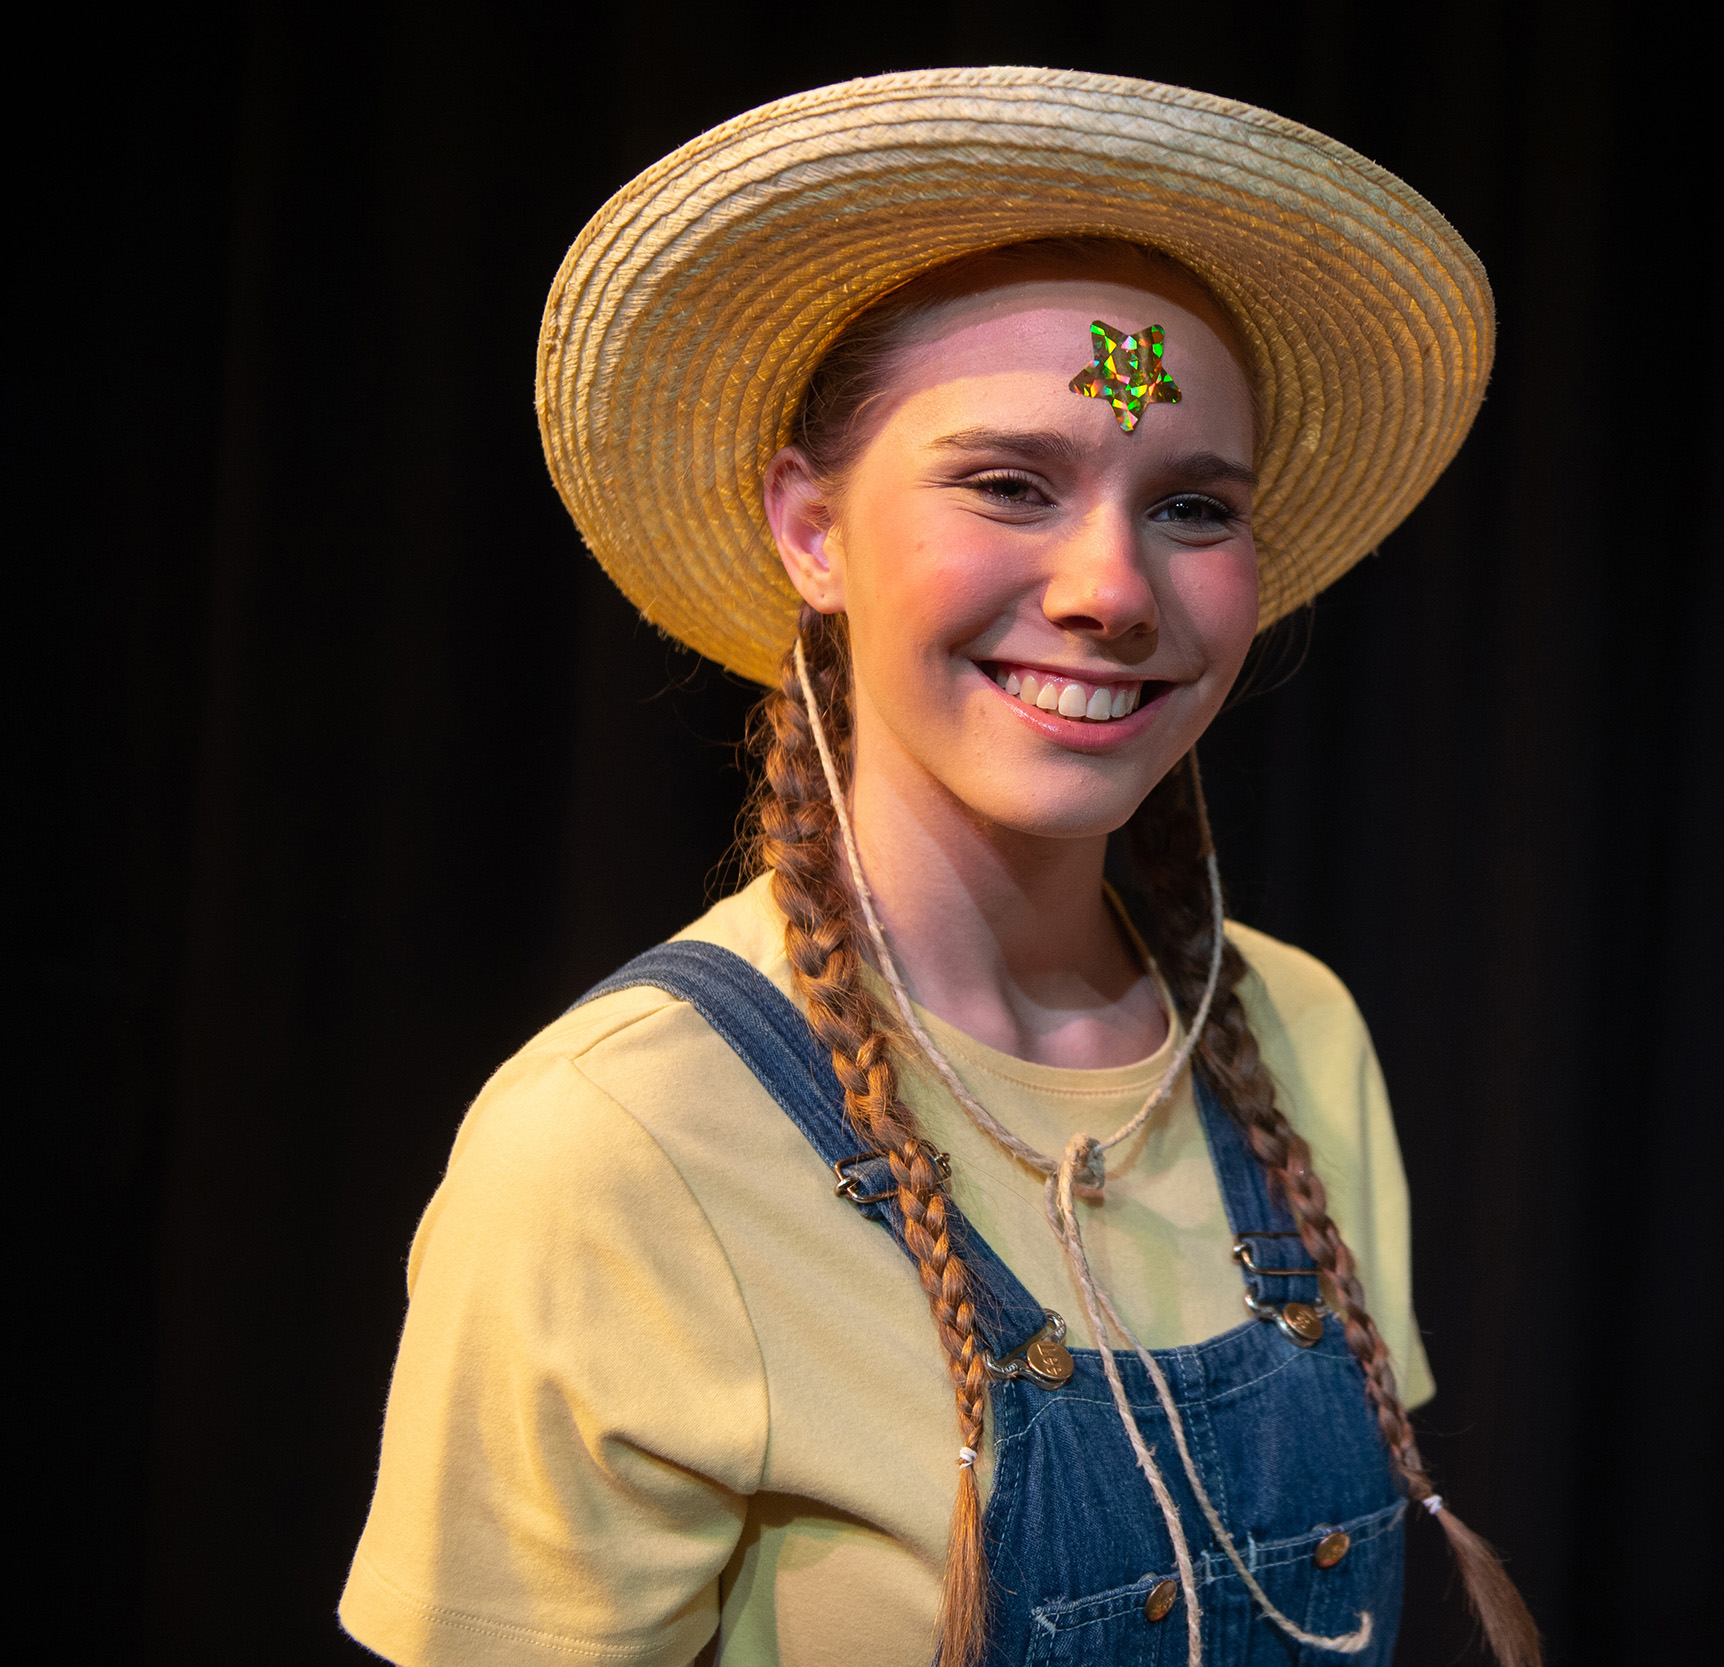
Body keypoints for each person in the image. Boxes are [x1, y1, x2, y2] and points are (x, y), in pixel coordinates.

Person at [340, 68, 1528, 1667]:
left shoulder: (1291, 1034)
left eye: (1191, 505)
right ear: (810, 530)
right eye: (1009, 484)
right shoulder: (623, 1140)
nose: (1112, 587)